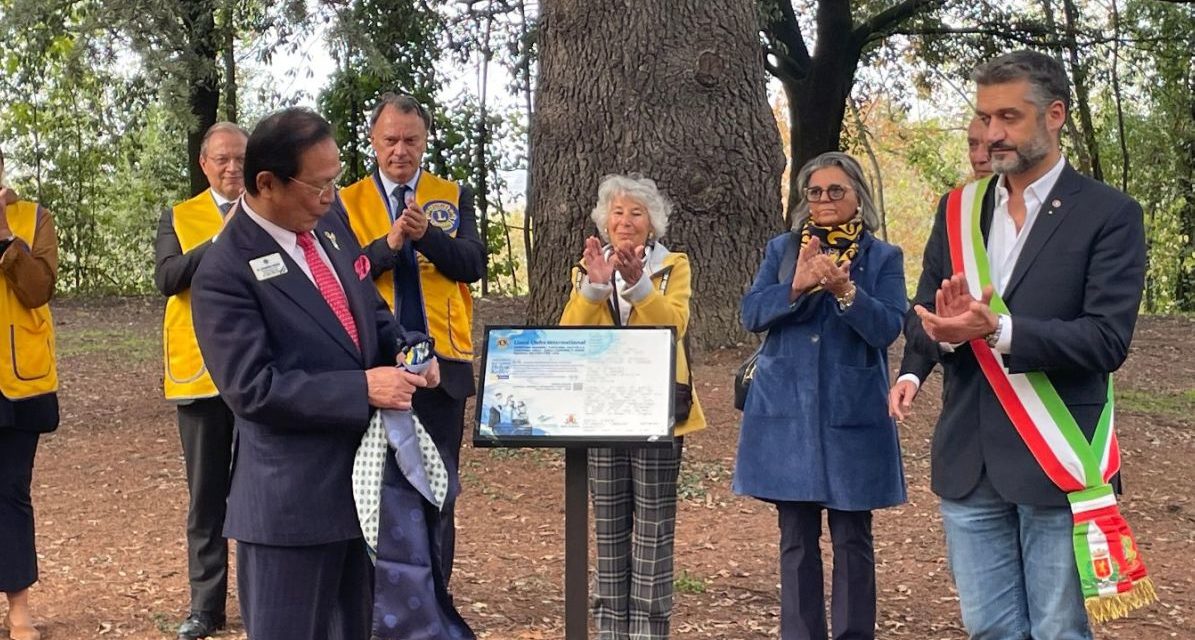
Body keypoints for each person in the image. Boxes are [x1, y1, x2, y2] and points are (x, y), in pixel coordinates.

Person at [190, 107, 470, 640]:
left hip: (365, 495)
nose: (330, 195)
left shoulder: (330, 228)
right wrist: (363, 387)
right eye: (318, 185)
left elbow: (371, 311)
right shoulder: (225, 270)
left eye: (334, 180)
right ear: (266, 183)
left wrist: (412, 351)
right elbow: (253, 388)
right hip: (290, 507)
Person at [906, 50, 1148, 638]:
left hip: (1057, 458)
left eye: (1009, 118)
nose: (992, 135)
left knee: (1058, 629)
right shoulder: (958, 208)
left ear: (1055, 115)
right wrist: (924, 351)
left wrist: (999, 330)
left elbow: (1106, 339)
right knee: (988, 629)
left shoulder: (1110, 214)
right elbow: (925, 313)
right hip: (968, 455)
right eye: (986, 118)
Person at [734, 152, 907, 640]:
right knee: (795, 538)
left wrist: (846, 292)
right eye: (815, 192)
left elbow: (888, 329)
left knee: (853, 538)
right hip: (785, 413)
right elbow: (751, 314)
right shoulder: (783, 250)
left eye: (836, 191)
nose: (824, 200)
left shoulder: (883, 257)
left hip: (852, 414)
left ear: (858, 198)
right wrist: (797, 286)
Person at [333, 93, 484, 584]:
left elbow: (474, 265)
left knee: (439, 488)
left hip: (444, 364)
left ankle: (435, 595)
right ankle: (378, 597)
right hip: (374, 365)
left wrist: (428, 237)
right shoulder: (344, 201)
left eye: (411, 140)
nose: (401, 150)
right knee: (372, 486)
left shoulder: (451, 194)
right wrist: (389, 245)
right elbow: (340, 275)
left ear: (425, 141)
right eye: (391, 140)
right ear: (374, 142)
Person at [559, 174, 706, 640]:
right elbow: (570, 333)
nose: (626, 221)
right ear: (605, 221)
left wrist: (640, 284)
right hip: (601, 411)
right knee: (609, 526)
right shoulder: (587, 269)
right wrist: (597, 289)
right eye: (618, 213)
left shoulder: (673, 266)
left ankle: (648, 631)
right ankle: (610, 630)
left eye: (636, 213)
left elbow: (673, 325)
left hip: (658, 409)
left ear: (652, 223)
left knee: (654, 527)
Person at [153, 121, 247, 640]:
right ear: (204, 165)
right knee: (206, 496)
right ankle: (206, 606)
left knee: (258, 489)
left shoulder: (269, 211)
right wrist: (220, 237)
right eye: (223, 160)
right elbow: (168, 278)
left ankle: (261, 595)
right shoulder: (181, 216)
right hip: (200, 376)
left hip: (257, 371)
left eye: (241, 159)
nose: (233, 168)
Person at [889, 116, 992, 422]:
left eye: (990, 146)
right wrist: (910, 375)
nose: (978, 157)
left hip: (1046, 415)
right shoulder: (954, 209)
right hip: (964, 412)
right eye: (973, 144)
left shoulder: (1068, 214)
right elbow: (928, 307)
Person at [0, 146, 60, 640]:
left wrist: (5, 238)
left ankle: (18, 607)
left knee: (10, 492)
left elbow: (38, 289)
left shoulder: (33, 218)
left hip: (16, 382)